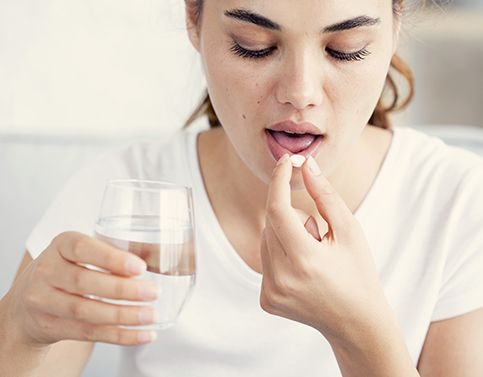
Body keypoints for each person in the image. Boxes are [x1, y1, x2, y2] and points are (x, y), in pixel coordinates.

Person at [1, 0, 483, 376]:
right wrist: (19, 328)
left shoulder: (458, 201)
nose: (300, 91)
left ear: (395, 25)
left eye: (346, 48)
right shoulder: (123, 199)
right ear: (195, 20)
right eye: (254, 45)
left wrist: (360, 333)